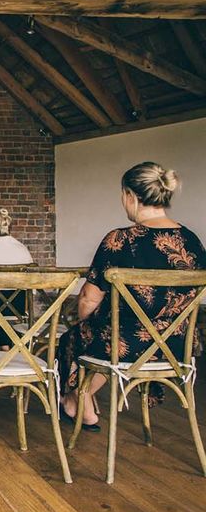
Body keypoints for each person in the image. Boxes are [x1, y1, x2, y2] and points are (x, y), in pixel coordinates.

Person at [58, 162, 206, 431]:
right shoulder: (191, 240)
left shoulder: (119, 240)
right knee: (107, 336)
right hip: (177, 346)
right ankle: (83, 397)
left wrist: (86, 322)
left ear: (131, 196)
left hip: (124, 345)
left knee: (76, 337)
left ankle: (77, 400)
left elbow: (88, 300)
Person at [0, 208, 34, 349]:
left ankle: (1, 344)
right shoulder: (22, 248)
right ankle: (6, 344)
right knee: (4, 298)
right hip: (19, 306)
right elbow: (31, 285)